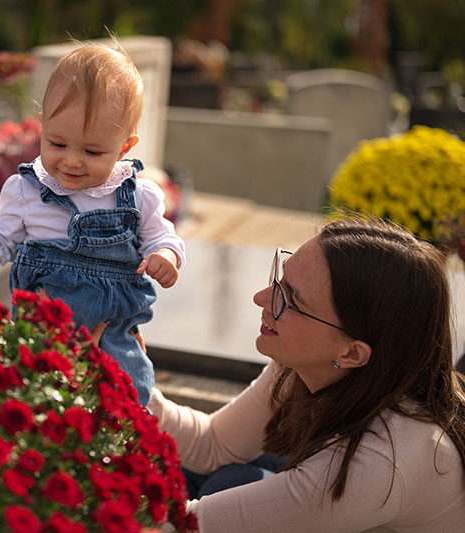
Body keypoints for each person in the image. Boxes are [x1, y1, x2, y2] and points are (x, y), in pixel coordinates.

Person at [148, 219, 465, 531]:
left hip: (350, 487)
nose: (261, 298)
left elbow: (183, 526)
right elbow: (214, 445)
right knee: (189, 471)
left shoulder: (380, 462)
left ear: (352, 353)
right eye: (280, 278)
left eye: (291, 299)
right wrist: (132, 381)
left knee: (224, 483)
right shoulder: (313, 365)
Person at [0, 40, 185, 406]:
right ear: (41, 128)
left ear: (125, 147)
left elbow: (162, 235)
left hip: (111, 336)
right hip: (41, 333)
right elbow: (0, 241)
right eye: (58, 144)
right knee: (36, 403)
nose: (72, 161)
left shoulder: (139, 195)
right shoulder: (26, 190)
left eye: (92, 151)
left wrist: (166, 256)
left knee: (126, 400)